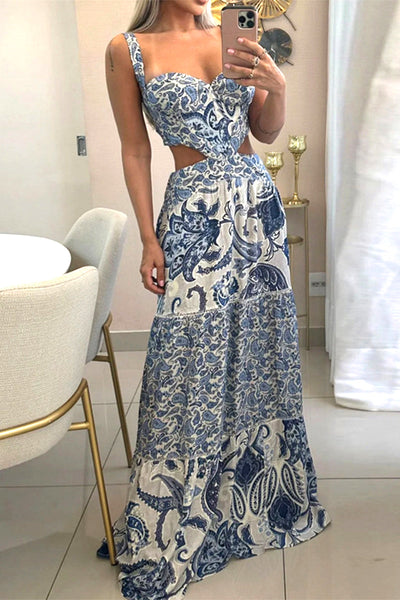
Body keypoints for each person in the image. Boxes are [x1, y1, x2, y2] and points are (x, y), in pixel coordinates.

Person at [102, 1, 331, 598]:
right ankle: (179, 510)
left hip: (257, 209)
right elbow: (135, 149)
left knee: (261, 351)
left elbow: (266, 131)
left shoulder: (233, 36)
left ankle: (260, 501)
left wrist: (276, 84)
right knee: (188, 360)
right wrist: (148, 237)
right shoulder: (129, 50)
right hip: (193, 218)